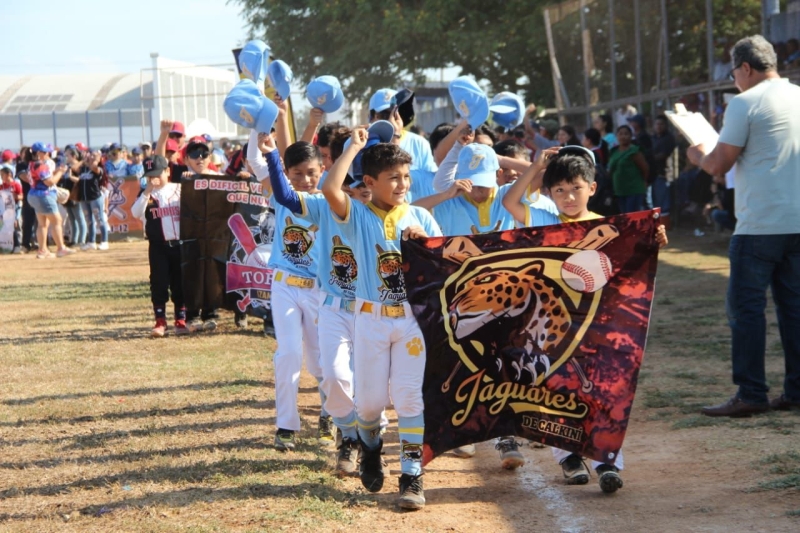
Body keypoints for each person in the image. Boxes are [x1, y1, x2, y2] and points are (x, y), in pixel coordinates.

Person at [503, 145, 668, 493]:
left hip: (597, 325)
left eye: (576, 187)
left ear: (592, 188)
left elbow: (633, 261)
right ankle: (568, 456)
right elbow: (511, 203)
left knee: (602, 391)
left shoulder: (605, 227)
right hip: (554, 326)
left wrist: (655, 241)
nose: (568, 196)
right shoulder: (545, 223)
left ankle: (606, 460)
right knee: (557, 390)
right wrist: (536, 166)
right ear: (548, 193)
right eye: (559, 190)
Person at [322, 128, 442, 510]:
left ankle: (411, 475)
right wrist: (355, 147)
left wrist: (425, 244)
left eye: (406, 176)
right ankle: (371, 447)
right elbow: (329, 187)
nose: (403, 184)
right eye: (393, 177)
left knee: (409, 397)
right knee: (371, 404)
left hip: (411, 320)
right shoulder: (356, 214)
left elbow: (445, 266)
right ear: (370, 183)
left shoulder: (420, 215)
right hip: (370, 319)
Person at [686, 35, 800, 416]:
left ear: (746, 68)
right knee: (795, 310)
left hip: (760, 225)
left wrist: (698, 155)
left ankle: (751, 393)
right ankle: (796, 390)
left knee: (746, 311)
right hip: (797, 222)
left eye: (735, 71)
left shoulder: (745, 102)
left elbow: (719, 165)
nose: (734, 78)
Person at [130, 155, 188, 337]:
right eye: (149, 176)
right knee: (159, 282)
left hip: (179, 244)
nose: (153, 179)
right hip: (158, 246)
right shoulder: (146, 194)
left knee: (180, 283)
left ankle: (181, 319)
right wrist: (147, 190)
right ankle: (160, 320)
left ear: (167, 171)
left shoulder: (179, 189)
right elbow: (135, 212)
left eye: (157, 174)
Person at [25, 143, 75, 259]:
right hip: (44, 195)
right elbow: (50, 182)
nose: (48, 153)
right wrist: (61, 172)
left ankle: (42, 250)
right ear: (39, 153)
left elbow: (42, 178)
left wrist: (56, 171)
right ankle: (61, 248)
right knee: (57, 221)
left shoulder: (31, 164)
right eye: (45, 151)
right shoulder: (40, 165)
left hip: (33, 194)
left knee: (43, 224)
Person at [608, 125, 649, 213]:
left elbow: (645, 168)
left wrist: (644, 181)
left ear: (631, 136)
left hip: (633, 190)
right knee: (624, 218)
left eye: (626, 134)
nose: (623, 136)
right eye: (620, 134)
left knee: (632, 216)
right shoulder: (614, 151)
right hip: (619, 191)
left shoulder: (634, 151)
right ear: (617, 136)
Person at [79, 150, 110, 251]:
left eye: (94, 155)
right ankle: (91, 242)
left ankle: (104, 241)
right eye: (91, 155)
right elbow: (74, 168)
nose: (91, 156)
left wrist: (96, 160)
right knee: (89, 221)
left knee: (100, 219)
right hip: (84, 198)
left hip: (95, 197)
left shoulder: (99, 169)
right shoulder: (83, 168)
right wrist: (83, 160)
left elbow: (94, 168)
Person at [650, 115, 676, 224]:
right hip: (653, 174)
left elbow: (664, 155)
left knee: (664, 201)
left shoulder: (669, 138)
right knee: (655, 200)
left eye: (661, 124)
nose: (659, 126)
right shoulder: (652, 138)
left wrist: (650, 158)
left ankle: (666, 224)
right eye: (657, 124)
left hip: (665, 173)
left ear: (666, 125)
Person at [62, 146, 87, 249]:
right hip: (68, 195)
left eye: (67, 155)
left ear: (73, 156)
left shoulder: (79, 167)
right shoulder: (68, 166)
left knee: (80, 218)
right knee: (72, 219)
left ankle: (81, 240)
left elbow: (81, 180)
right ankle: (74, 240)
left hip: (76, 195)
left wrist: (72, 177)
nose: (66, 157)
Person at [16, 147, 36, 252]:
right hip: (28, 196)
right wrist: (37, 176)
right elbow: (26, 178)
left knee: (42, 221)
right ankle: (26, 244)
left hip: (39, 195)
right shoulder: (21, 165)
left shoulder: (39, 164)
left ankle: (42, 244)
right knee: (28, 221)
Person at [0, 165, 23, 253]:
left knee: (15, 227)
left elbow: (21, 196)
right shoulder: (2, 186)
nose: (2, 177)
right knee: (5, 228)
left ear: (9, 174)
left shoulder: (16, 184)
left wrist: (14, 196)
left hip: (15, 209)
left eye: (3, 175)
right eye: (0, 175)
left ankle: (17, 245)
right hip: (4, 210)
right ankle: (6, 245)